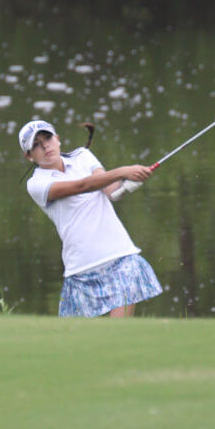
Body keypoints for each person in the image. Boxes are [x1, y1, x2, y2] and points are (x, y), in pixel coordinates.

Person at [19, 119, 162, 317]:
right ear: (29, 156)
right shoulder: (36, 184)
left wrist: (127, 182)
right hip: (80, 269)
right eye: (36, 145)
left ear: (57, 139)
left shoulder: (83, 156)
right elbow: (82, 186)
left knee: (117, 335)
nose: (45, 146)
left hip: (120, 257)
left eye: (48, 138)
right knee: (79, 343)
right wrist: (123, 171)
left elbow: (110, 190)